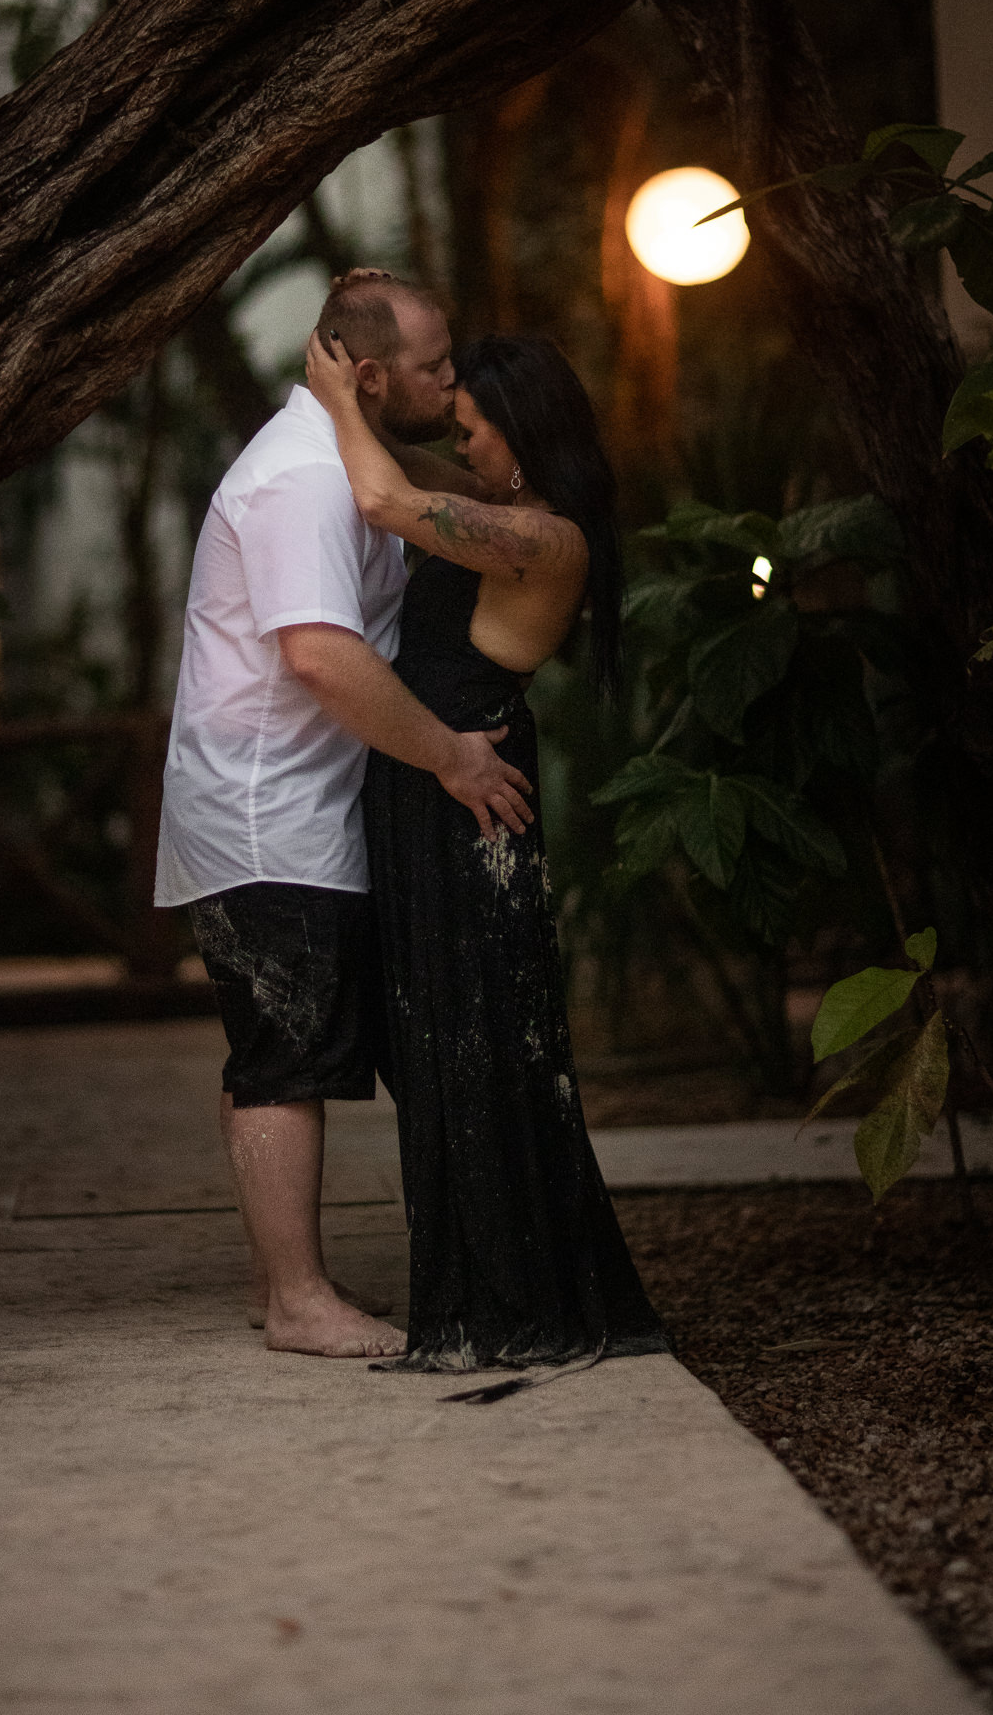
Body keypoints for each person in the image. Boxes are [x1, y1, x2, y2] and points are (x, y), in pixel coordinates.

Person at [155, 270, 533, 1359]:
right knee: (284, 1051)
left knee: (279, 1043)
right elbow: (320, 655)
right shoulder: (301, 482)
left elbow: (410, 487)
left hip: (291, 804)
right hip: (267, 811)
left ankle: (282, 1277)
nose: (452, 381)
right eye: (434, 368)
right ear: (366, 377)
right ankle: (298, 1299)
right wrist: (454, 757)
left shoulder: (343, 460)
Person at [306, 321, 669, 1371]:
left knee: (482, 1044)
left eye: (474, 430)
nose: (460, 447)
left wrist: (337, 401)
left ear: (523, 432)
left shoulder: (543, 539)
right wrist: (368, 407)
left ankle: (510, 1301)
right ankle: (479, 1294)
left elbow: (383, 497)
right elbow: (407, 469)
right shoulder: (503, 511)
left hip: (472, 805)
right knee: (438, 1044)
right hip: (436, 787)